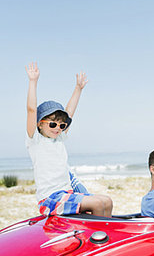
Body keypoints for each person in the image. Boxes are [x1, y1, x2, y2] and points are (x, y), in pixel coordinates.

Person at [25, 62, 113, 218]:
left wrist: (78, 89)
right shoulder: (35, 141)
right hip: (50, 199)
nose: (57, 128)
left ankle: (105, 231)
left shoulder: (59, 139)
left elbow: (70, 111)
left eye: (62, 125)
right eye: (52, 123)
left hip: (68, 192)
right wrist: (33, 82)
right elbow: (31, 110)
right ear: (40, 123)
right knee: (97, 204)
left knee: (106, 201)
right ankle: (96, 237)